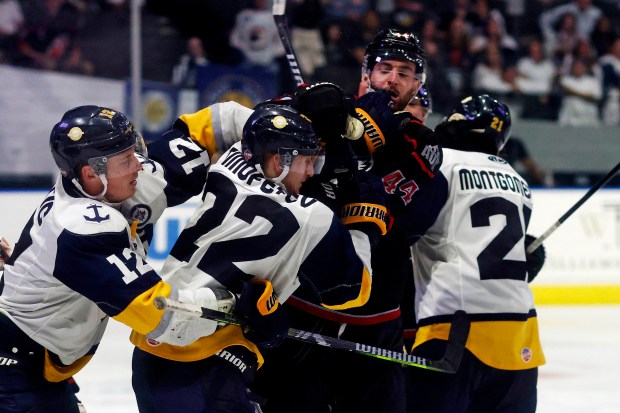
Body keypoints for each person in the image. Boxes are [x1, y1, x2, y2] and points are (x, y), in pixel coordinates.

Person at [131, 103, 388, 413]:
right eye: (307, 161)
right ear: (280, 160)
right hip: (208, 359)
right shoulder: (312, 218)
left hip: (151, 348)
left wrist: (298, 112)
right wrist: (364, 220)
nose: (311, 172)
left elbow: (236, 117)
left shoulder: (230, 160)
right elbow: (352, 292)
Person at [0, 101, 254, 413]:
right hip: (14, 376)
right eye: (125, 160)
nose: (138, 165)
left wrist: (289, 122)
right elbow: (162, 315)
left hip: (39, 365)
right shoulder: (80, 228)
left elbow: (210, 128)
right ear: (91, 173)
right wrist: (236, 306)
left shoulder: (111, 185)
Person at [252, 28, 443, 413]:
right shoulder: (322, 108)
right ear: (365, 74)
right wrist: (340, 129)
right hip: (302, 308)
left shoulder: (423, 144)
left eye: (404, 73)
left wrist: (350, 155)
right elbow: (263, 139)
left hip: (376, 319)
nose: (392, 79)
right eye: (384, 68)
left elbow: (387, 216)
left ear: (417, 83)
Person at [403, 94, 547, 413]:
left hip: (454, 329)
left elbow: (402, 233)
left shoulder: (440, 165)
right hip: (519, 333)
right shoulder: (519, 182)